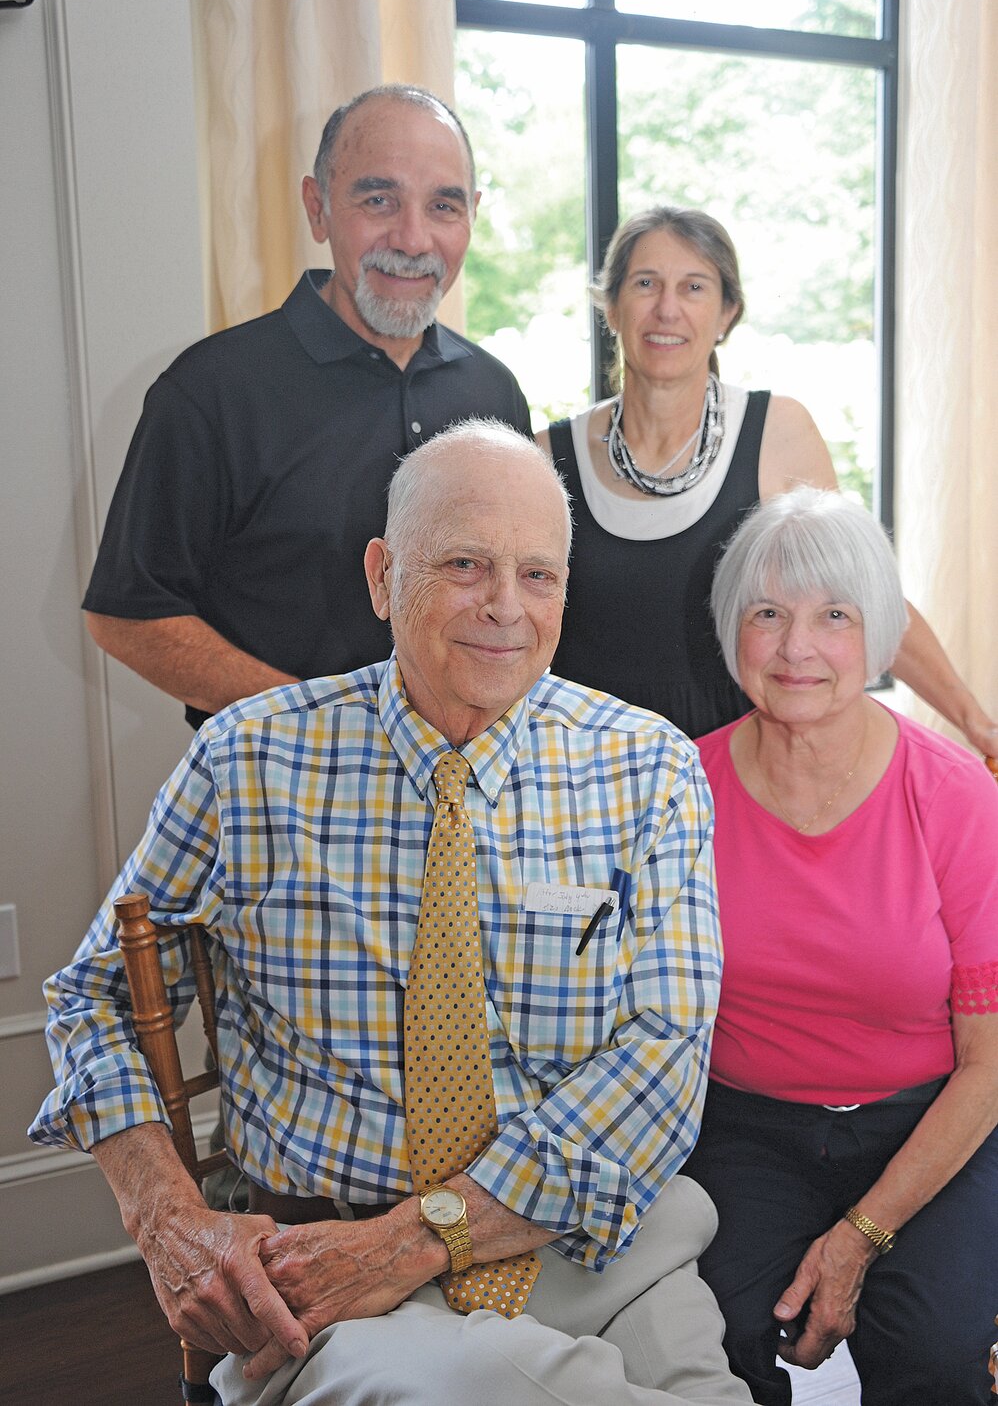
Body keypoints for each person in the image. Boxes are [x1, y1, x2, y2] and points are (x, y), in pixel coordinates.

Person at [32, 422, 752, 1406]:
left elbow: (663, 1054)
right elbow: (89, 998)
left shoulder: (645, 766)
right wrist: (168, 1220)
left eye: (537, 575)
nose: (504, 607)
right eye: (464, 564)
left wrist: (417, 1241)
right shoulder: (252, 761)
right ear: (381, 577)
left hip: (587, 1247)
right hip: (322, 1279)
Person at [682, 486, 998, 1406]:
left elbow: (989, 1065)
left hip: (931, 1121)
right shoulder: (681, 789)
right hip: (746, 1126)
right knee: (712, 1334)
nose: (796, 648)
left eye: (834, 617)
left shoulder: (956, 798)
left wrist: (859, 1235)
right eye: (767, 614)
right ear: (730, 627)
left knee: (933, 1352)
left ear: (882, 635)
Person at [83, 85, 531, 730]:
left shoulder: (494, 393)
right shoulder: (211, 391)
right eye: (378, 200)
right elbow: (128, 616)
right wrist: (320, 724)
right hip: (276, 794)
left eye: (442, 205)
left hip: (466, 784)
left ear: (472, 216)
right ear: (317, 209)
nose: (412, 238)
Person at [539, 205, 998, 755]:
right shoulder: (546, 457)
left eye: (693, 287)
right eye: (645, 284)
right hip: (583, 786)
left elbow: (865, 600)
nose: (667, 309)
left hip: (740, 783)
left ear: (726, 313)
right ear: (611, 306)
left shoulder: (779, 433)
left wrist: (975, 721)